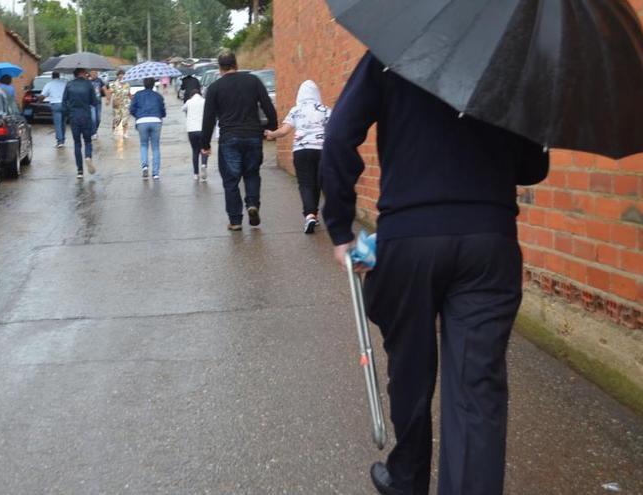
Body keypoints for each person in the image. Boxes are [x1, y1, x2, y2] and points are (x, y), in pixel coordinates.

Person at [320, 52, 549, 495]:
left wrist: (341, 228)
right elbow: (533, 167)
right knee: (476, 388)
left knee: (410, 367)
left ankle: (407, 478)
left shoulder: (393, 50)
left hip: (411, 235)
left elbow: (339, 135)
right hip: (489, 237)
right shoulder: (511, 58)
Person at [200, 52, 277, 231]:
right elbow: (268, 106)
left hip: (229, 138)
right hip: (253, 135)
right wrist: (271, 129)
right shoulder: (253, 81)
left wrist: (205, 144)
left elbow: (208, 118)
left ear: (220, 68)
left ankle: (235, 220)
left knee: (230, 179)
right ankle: (252, 204)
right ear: (236, 64)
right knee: (251, 173)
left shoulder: (215, 88)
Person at [265, 80, 331, 234]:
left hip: (301, 151)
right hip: (321, 150)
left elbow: (284, 131)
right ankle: (322, 214)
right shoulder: (325, 110)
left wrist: (271, 134)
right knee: (319, 183)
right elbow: (335, 129)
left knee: (306, 184)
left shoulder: (296, 110)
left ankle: (310, 215)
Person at [62, 67, 98, 178]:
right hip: (86, 116)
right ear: (82, 73)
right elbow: (94, 102)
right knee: (88, 141)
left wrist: (69, 112)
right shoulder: (89, 85)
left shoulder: (69, 85)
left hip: (74, 117)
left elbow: (64, 102)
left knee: (77, 143)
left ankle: (80, 171)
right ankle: (88, 156)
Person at [129, 78, 166, 180]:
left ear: (144, 84)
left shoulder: (137, 95)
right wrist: (160, 115)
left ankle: (145, 166)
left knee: (144, 145)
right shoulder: (158, 96)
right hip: (156, 121)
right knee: (155, 147)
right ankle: (155, 173)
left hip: (141, 122)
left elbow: (131, 109)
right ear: (154, 84)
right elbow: (163, 111)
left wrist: (138, 116)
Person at [182, 88, 208, 181]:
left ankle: (196, 174)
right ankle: (204, 165)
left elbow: (183, 109)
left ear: (191, 95)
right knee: (204, 148)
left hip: (191, 130)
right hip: (202, 129)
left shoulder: (189, 102)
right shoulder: (204, 101)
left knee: (195, 151)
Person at [39, 72, 68, 148]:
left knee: (57, 124)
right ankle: (63, 139)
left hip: (56, 104)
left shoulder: (49, 84)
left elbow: (43, 95)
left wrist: (40, 100)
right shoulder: (64, 83)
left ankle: (60, 141)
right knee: (63, 123)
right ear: (59, 76)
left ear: (52, 77)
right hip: (65, 104)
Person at [110, 70, 131, 138]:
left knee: (125, 118)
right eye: (120, 74)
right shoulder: (114, 84)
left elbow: (128, 93)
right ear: (117, 75)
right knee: (117, 119)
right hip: (117, 104)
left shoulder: (127, 84)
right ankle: (114, 131)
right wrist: (109, 99)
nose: (121, 76)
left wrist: (133, 98)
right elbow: (110, 92)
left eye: (122, 74)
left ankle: (125, 133)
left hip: (125, 104)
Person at [88, 70, 109, 141]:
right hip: (90, 103)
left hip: (98, 102)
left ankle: (94, 131)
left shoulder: (99, 80)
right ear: (90, 73)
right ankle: (93, 133)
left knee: (98, 119)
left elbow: (105, 89)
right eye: (93, 73)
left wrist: (107, 99)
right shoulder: (87, 81)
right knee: (93, 119)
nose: (94, 74)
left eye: (95, 73)